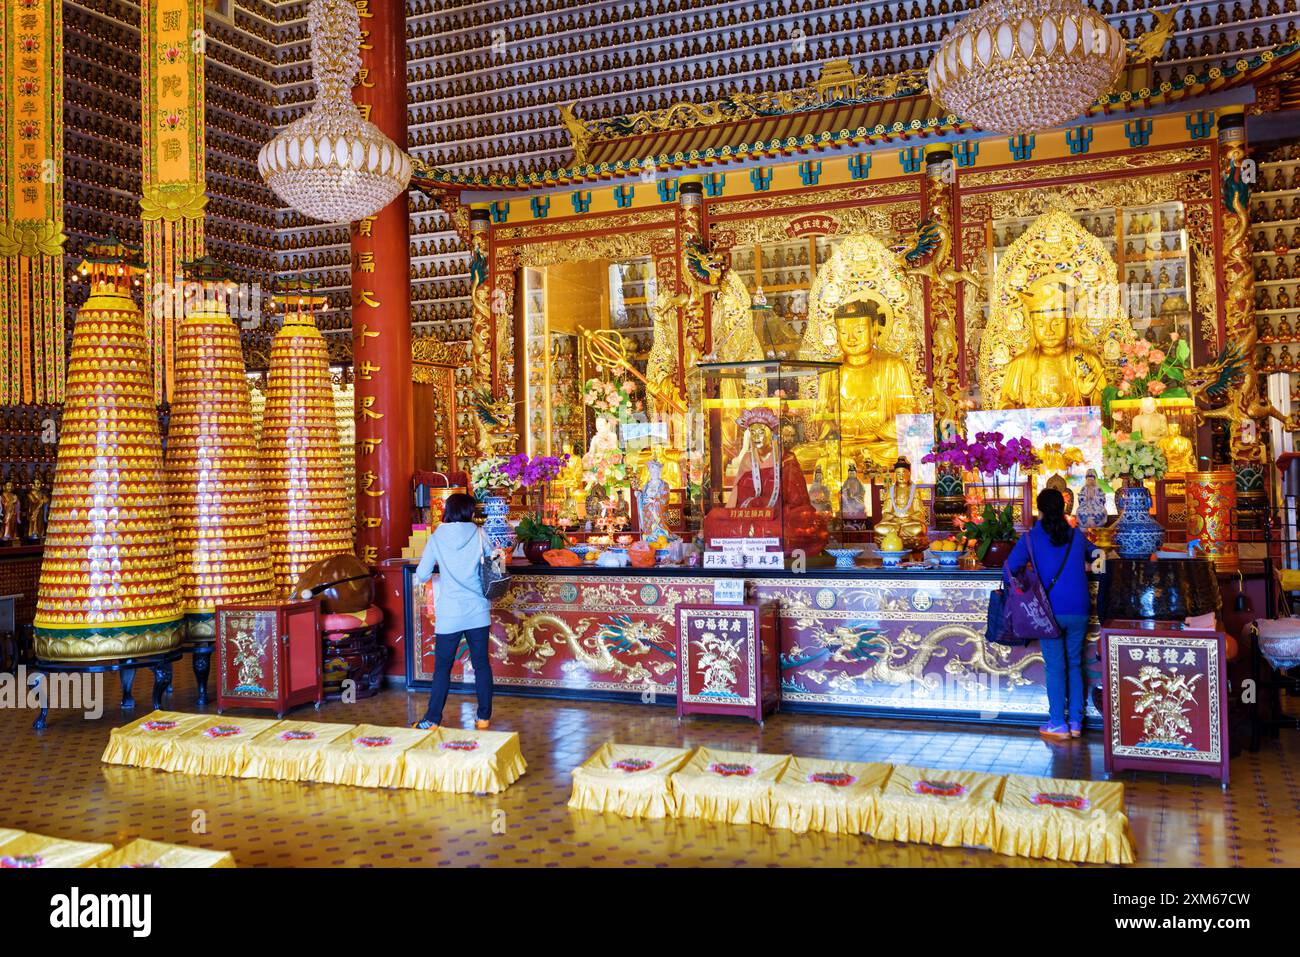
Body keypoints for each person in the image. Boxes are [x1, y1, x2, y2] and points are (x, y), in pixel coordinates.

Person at [1005, 488, 1101, 742]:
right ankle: (1076, 722)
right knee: (1075, 663)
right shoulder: (1076, 536)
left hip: (1049, 612)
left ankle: (1058, 723)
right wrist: (1089, 566)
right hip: (1080, 608)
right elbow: (1098, 553)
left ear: (1040, 510)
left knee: (1056, 667)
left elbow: (1010, 569)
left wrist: (1026, 584)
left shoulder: (1030, 538)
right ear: (1063, 509)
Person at [413, 492, 504, 731]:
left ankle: (432, 719)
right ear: (468, 512)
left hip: (450, 612)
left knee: (442, 667)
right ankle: (483, 717)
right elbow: (494, 562)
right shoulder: (479, 534)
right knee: (481, 664)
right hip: (477, 610)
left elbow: (422, 574)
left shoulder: (436, 538)